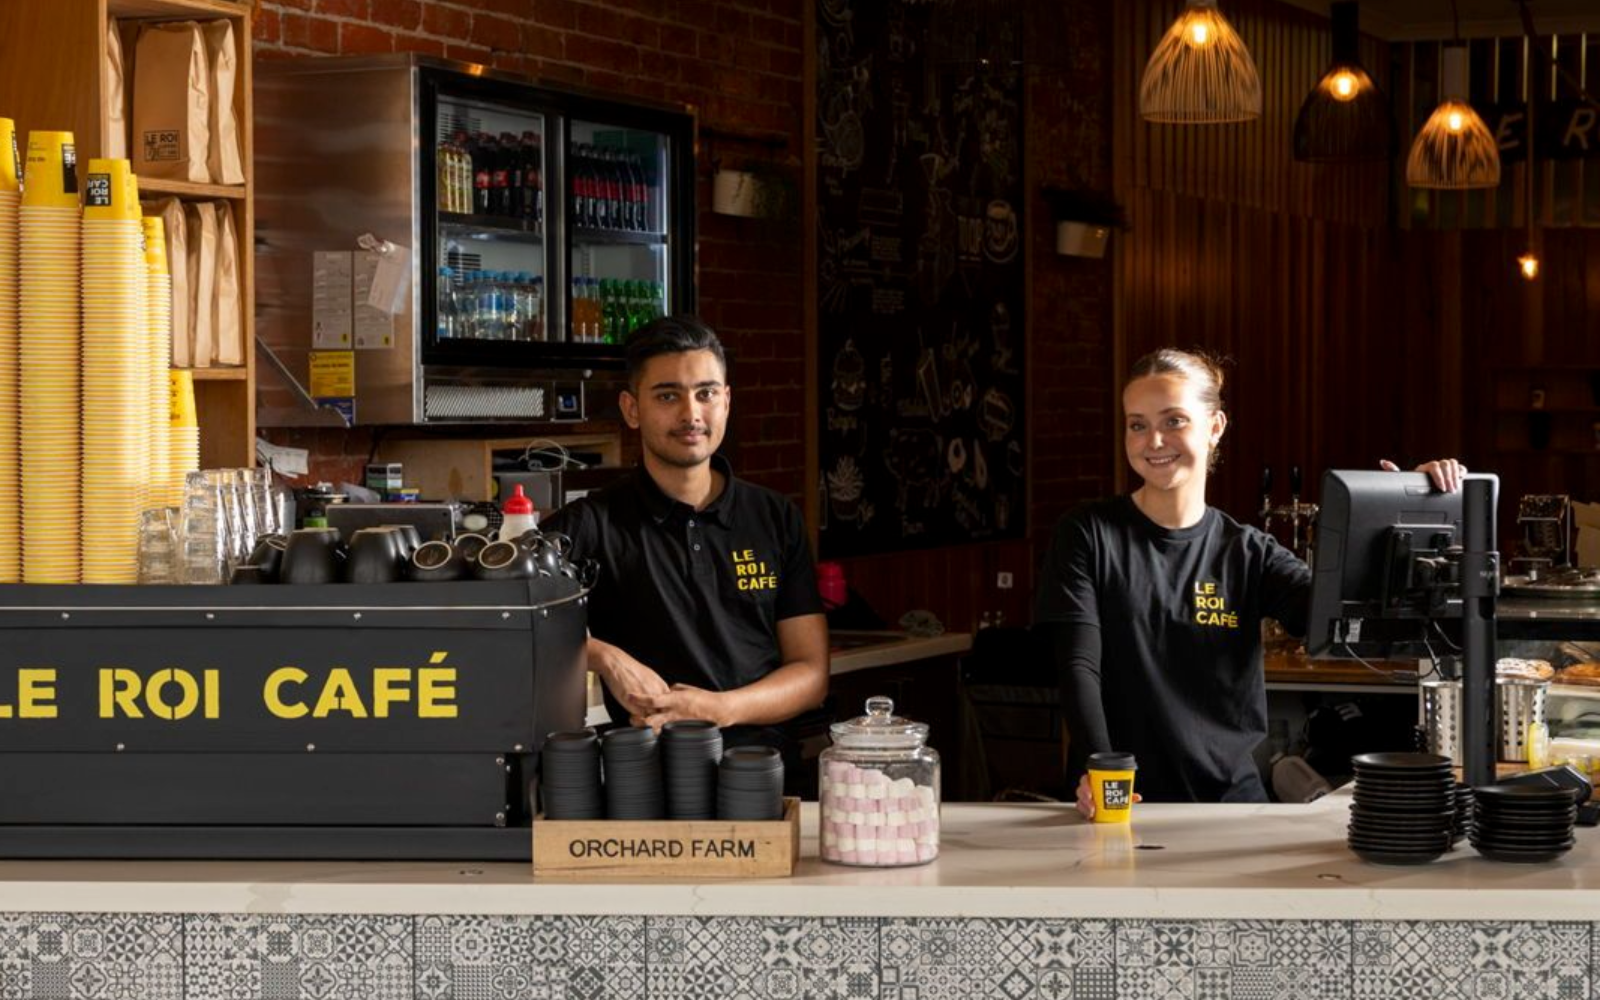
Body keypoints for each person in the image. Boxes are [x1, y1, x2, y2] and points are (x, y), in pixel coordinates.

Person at [1033, 348, 1465, 817]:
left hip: (1230, 809)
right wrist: (1101, 771)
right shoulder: (1088, 534)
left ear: (1215, 427)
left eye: (1174, 421)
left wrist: (1408, 516)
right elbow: (1079, 667)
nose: (1153, 440)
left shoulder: (1248, 552)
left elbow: (1336, 619)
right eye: (1137, 424)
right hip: (1118, 801)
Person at [542, 315, 829, 764]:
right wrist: (605, 657)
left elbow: (811, 674)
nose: (691, 414)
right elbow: (505, 620)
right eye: (668, 395)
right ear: (631, 409)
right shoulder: (592, 522)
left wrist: (717, 709)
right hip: (644, 784)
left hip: (765, 779)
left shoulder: (774, 517)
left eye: (706, 393)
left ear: (727, 402)